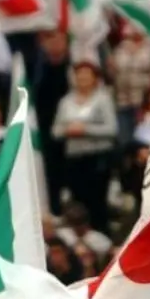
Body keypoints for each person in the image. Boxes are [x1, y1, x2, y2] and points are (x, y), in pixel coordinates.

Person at [52, 61, 118, 234]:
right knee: (77, 202)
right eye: (79, 75)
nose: (82, 79)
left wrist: (86, 130)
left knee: (97, 201)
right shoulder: (66, 101)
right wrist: (67, 130)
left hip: (97, 158)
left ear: (95, 78)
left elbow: (112, 129)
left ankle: (101, 235)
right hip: (74, 158)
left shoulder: (103, 99)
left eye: (87, 75)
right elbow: (55, 131)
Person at [109, 23, 150, 148]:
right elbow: (112, 72)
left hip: (145, 103)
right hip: (123, 102)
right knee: (124, 142)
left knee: (144, 142)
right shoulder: (121, 48)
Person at [34, 29, 71, 216]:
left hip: (71, 127)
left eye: (59, 39)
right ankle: (54, 211)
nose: (55, 43)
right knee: (50, 171)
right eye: (51, 39)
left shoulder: (73, 66)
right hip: (45, 126)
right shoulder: (38, 67)